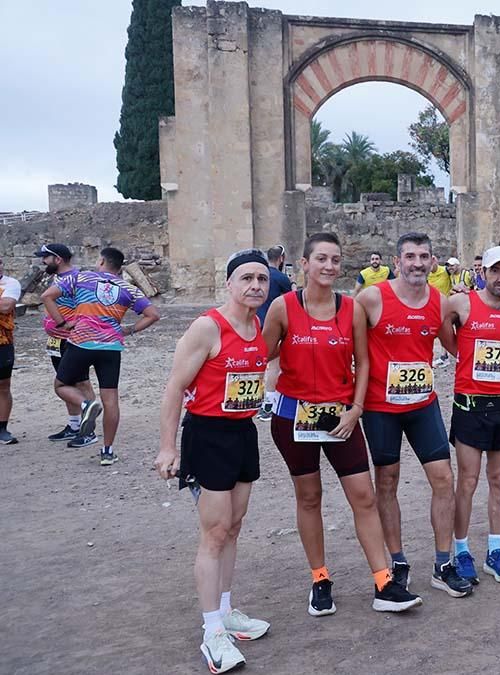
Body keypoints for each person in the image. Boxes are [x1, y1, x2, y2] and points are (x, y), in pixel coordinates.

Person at [261, 232, 418, 616]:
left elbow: (363, 362)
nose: (329, 266)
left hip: (341, 417)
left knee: (363, 496)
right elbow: (261, 355)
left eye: (335, 259)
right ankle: (320, 579)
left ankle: (383, 582)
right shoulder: (282, 308)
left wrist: (356, 408)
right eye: (321, 259)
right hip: (292, 417)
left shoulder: (351, 309)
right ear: (304, 264)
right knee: (309, 497)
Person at [154, 249, 273, 674]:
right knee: (214, 532)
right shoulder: (208, 327)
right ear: (229, 283)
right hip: (208, 435)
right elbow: (174, 387)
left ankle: (225, 611)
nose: (255, 285)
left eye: (262, 278)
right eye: (246, 278)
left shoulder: (256, 323)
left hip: (243, 433)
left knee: (235, 526)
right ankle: (211, 633)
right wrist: (168, 447)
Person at [357, 232, 473, 599]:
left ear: (433, 261)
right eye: (410, 256)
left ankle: (442, 563)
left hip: (422, 404)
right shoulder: (373, 297)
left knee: (443, 478)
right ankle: (398, 562)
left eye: (424, 256)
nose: (418, 263)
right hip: (380, 408)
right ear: (397, 261)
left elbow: (455, 347)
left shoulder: (438, 301)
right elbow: (349, 347)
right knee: (387, 482)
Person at [441, 245, 500, 584]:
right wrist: (460, 352)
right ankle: (461, 552)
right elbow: (441, 329)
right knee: (467, 482)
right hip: (470, 407)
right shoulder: (462, 302)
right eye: (496, 271)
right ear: (484, 273)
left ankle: (495, 551)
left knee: (499, 481)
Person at [43, 247, 161, 465]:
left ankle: (86, 405)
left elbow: (47, 296)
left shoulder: (81, 277)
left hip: (81, 342)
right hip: (111, 347)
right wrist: (130, 329)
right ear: (119, 267)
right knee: (111, 399)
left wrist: (62, 323)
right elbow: (153, 315)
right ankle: (107, 451)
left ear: (101, 261)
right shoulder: (128, 289)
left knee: (61, 385)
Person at [36, 244, 97, 444]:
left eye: (45, 257)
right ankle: (74, 426)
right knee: (67, 382)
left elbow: (48, 299)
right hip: (57, 340)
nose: (43, 261)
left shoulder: (74, 278)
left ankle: (89, 431)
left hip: (71, 339)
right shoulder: (60, 278)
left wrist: (62, 324)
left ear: (58, 259)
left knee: (80, 382)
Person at [257, 245, 294, 420]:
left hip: (255, 323)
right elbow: (293, 302)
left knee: (256, 362)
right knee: (274, 366)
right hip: (273, 326)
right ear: (281, 259)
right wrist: (293, 283)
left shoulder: (260, 277)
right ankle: (268, 404)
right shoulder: (281, 278)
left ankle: (253, 399)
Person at [0, 256, 20, 444]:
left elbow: (6, 306)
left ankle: (2, 428)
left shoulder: (10, 283)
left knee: (3, 386)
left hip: (3, 343)